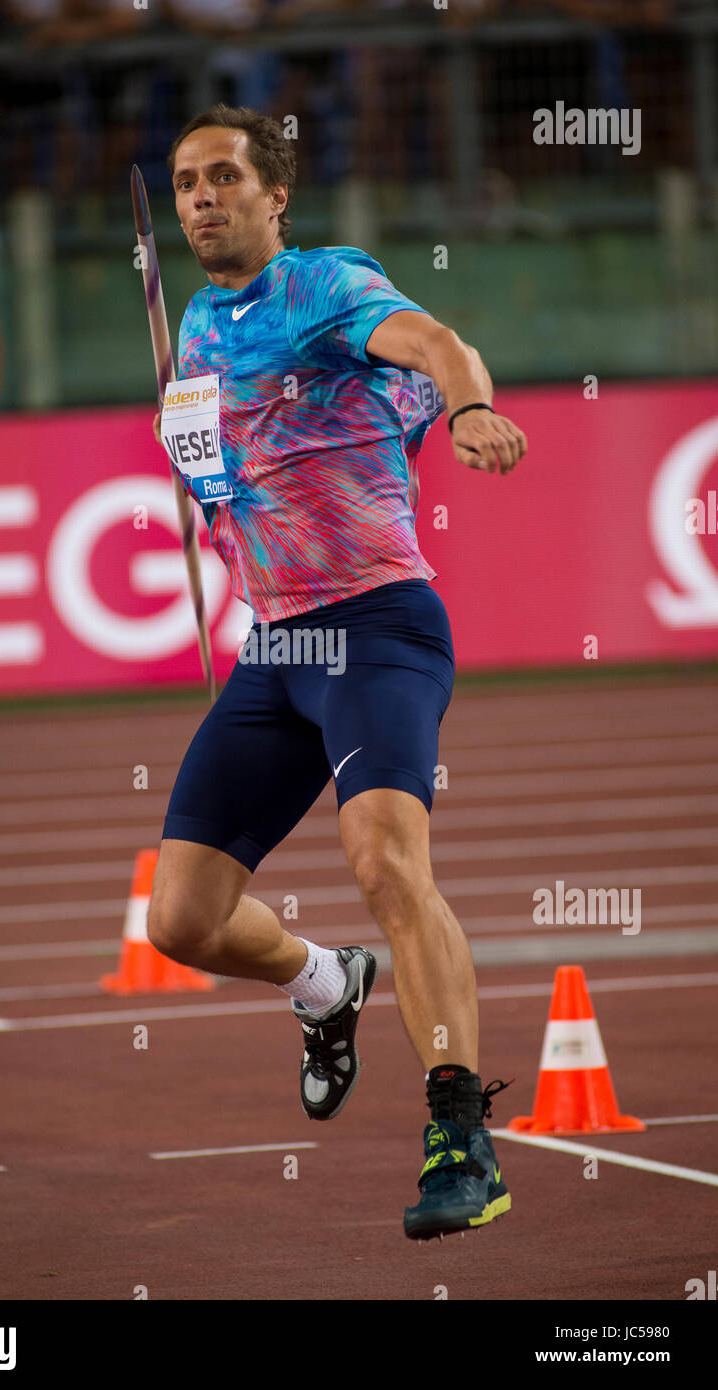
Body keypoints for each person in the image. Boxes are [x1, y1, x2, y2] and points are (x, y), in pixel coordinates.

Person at [148, 104, 527, 1240]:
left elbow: (437, 345)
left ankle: (462, 1132)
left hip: (377, 624)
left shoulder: (324, 287)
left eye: (224, 177)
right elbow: (223, 498)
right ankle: (325, 982)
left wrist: (468, 403)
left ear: (276, 198)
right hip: (280, 650)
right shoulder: (193, 351)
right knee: (181, 921)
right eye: (184, 183)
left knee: (384, 855)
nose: (202, 197)